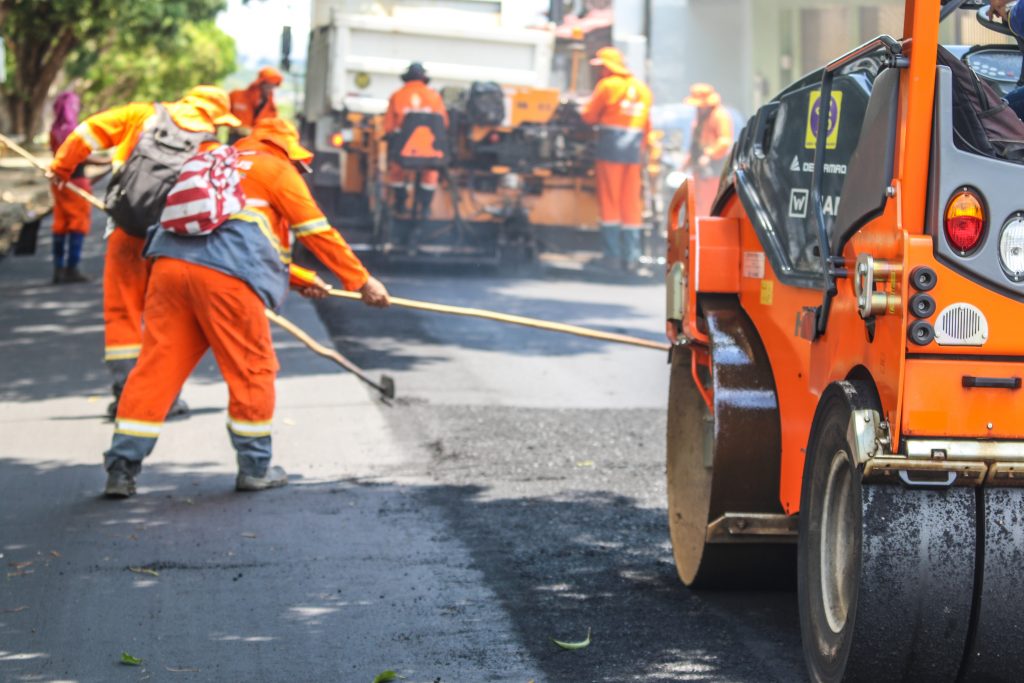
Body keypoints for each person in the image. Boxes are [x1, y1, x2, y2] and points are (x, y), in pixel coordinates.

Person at [101, 117, 391, 498]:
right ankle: (255, 467)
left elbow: (228, 233)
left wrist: (300, 278)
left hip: (169, 271)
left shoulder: (215, 160)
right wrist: (362, 281)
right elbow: (317, 232)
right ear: (288, 148)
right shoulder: (277, 169)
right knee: (253, 369)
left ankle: (121, 468)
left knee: (155, 370)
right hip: (227, 284)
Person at [49, 86, 241, 419]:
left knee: (122, 310)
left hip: (127, 229)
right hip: (174, 241)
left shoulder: (141, 115)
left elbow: (84, 133)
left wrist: (62, 169)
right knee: (166, 318)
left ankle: (126, 392)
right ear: (215, 116)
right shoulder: (211, 145)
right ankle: (162, 396)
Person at [580, 47, 652, 271]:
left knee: (610, 201)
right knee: (630, 202)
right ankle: (631, 257)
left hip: (611, 150)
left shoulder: (608, 85)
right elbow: (647, 126)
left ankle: (611, 257)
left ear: (607, 67)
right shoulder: (642, 88)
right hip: (633, 153)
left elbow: (588, 116)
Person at [383, 62, 449, 217]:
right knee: (431, 173)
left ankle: (400, 201)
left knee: (396, 170)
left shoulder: (397, 96)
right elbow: (444, 124)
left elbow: (389, 127)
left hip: (403, 153)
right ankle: (425, 206)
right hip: (429, 154)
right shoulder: (434, 96)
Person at [48, 92, 95, 284]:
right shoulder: (74, 131)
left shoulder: (54, 130)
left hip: (58, 182)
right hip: (76, 183)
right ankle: (72, 268)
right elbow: (82, 157)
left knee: (60, 224)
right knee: (78, 224)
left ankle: (58, 268)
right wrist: (107, 160)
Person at [681, 83, 734, 216]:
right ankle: (698, 230)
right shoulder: (700, 118)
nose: (697, 108)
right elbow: (695, 144)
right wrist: (685, 163)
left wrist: (708, 155)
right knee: (697, 202)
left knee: (709, 202)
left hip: (713, 168)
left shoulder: (719, 115)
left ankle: (707, 231)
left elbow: (724, 141)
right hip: (699, 169)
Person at [229, 66, 284, 142]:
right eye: (268, 85)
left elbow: (270, 129)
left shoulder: (271, 109)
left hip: (255, 143)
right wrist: (236, 127)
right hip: (235, 140)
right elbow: (223, 115)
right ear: (260, 83)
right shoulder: (236, 96)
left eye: (272, 86)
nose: (269, 89)